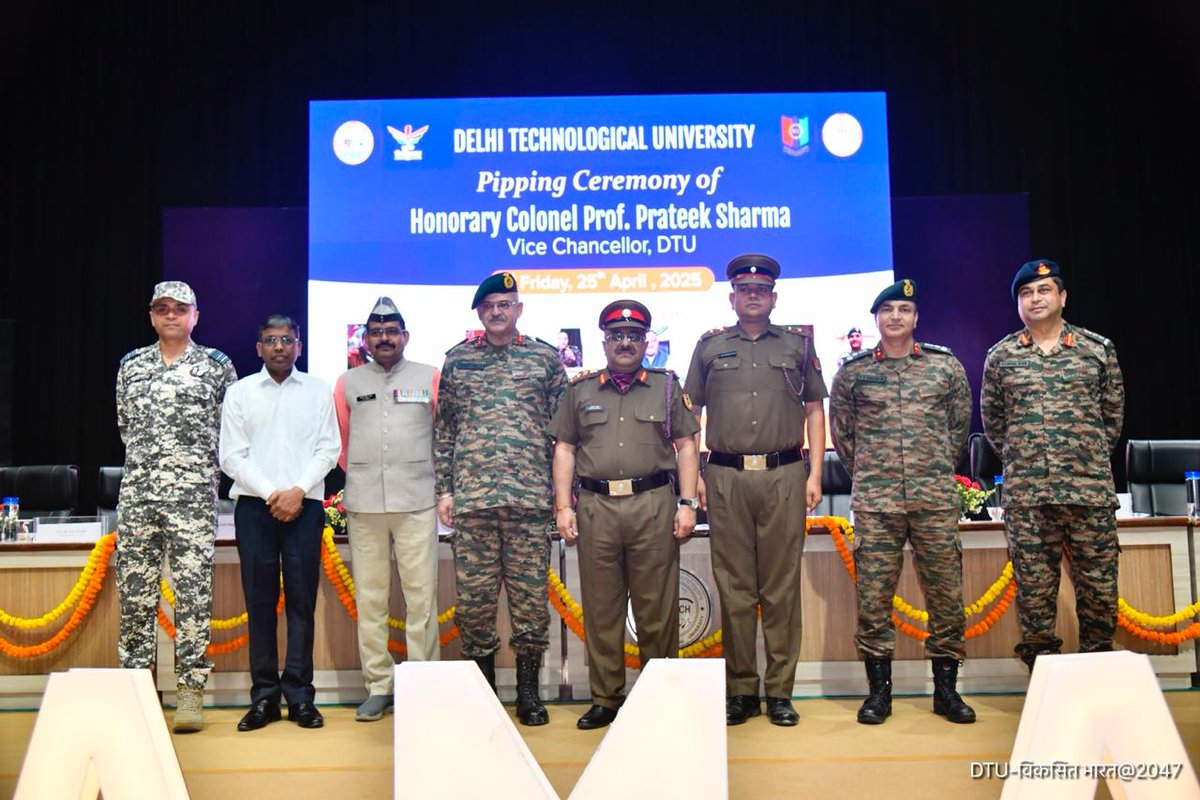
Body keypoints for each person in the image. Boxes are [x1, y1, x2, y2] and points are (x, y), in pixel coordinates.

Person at [683, 254, 827, 727]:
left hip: (785, 474)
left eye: (760, 290)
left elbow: (813, 410)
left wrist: (815, 474)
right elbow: (689, 420)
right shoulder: (709, 348)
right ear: (732, 297)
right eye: (744, 290)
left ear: (773, 297)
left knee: (781, 588)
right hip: (724, 478)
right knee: (736, 587)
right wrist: (697, 479)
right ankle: (742, 689)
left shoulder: (798, 346)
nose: (752, 296)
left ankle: (780, 692)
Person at [829, 279, 976, 725]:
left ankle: (946, 692)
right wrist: (876, 474)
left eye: (904, 310)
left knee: (946, 596)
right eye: (888, 309)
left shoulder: (944, 367)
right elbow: (844, 436)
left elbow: (958, 427)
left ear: (916, 318)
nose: (896, 317)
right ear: (876, 318)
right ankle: (879, 695)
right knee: (874, 599)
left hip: (933, 499)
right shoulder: (853, 372)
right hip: (877, 502)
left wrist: (930, 467)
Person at [550, 300, 700, 730]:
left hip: (652, 503)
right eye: (617, 336)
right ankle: (606, 698)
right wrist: (563, 506)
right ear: (604, 342)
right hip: (595, 507)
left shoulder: (666, 386)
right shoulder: (580, 390)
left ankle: (658, 695)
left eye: (633, 336)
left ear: (645, 342)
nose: (625, 343)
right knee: (602, 608)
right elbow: (564, 449)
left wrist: (687, 503)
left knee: (656, 608)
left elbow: (687, 445)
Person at [435, 272, 568, 726]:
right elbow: (445, 430)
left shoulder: (545, 360)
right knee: (474, 603)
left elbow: (565, 435)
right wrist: (446, 490)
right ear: (479, 311)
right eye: (489, 304)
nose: (497, 311)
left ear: (519, 309)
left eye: (505, 303)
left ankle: (529, 694)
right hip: (473, 503)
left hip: (529, 502)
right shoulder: (458, 362)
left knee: (530, 602)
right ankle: (484, 692)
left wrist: (562, 496)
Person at [981, 259, 1124, 671]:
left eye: (1044, 290)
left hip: (1088, 492)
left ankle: (1101, 676)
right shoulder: (1001, 356)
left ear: (1062, 297)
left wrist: (1084, 457)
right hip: (1028, 497)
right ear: (1018, 305)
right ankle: (1045, 683)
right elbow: (995, 425)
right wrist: (1026, 460)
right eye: (1026, 293)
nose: (1035, 299)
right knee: (1035, 596)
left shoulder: (1097, 350)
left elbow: (1111, 419)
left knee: (1099, 593)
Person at [115, 280, 237, 732]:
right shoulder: (131, 366)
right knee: (135, 597)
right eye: (162, 309)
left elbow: (230, 432)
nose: (171, 316)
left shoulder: (216, 367)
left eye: (179, 309)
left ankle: (190, 691)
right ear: (151, 316)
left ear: (195, 316)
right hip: (139, 497)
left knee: (193, 596)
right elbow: (126, 427)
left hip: (192, 499)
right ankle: (137, 691)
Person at [219, 314, 339, 731]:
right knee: (260, 605)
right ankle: (264, 698)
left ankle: (301, 698)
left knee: (302, 605)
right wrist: (274, 493)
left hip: (304, 509)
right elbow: (231, 456)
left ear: (299, 345)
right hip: (255, 510)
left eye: (287, 339)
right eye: (270, 339)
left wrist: (296, 492)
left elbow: (329, 449)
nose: (279, 347)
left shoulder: (319, 391)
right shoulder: (240, 393)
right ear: (258, 347)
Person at [335, 297, 442, 722]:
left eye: (391, 331)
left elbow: (441, 434)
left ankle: (422, 684)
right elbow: (342, 444)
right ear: (365, 338)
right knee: (372, 600)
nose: (384, 338)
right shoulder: (346, 382)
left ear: (405, 336)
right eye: (376, 332)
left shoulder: (429, 376)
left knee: (421, 601)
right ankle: (378, 686)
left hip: (416, 502)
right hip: (364, 504)